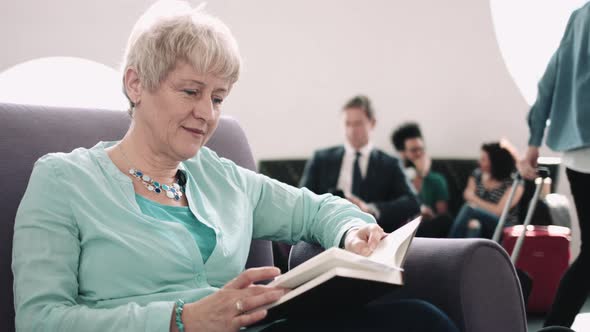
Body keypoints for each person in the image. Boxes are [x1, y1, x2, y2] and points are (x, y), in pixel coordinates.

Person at [11, 1, 459, 332]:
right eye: (191, 91)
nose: (207, 113)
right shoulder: (64, 180)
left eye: (219, 97)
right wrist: (180, 319)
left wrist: (351, 231)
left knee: (419, 320)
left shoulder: (220, 177)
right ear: (135, 83)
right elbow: (39, 319)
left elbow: (316, 209)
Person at [519, 3, 590, 328]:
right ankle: (554, 325)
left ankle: (554, 326)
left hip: (577, 156)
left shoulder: (580, 16)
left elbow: (548, 82)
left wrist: (534, 141)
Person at [299, 95, 420, 232]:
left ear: (372, 123)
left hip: (371, 232)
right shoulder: (321, 159)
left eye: (358, 124)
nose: (352, 130)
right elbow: (303, 199)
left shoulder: (390, 164)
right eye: (347, 124)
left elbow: (413, 202)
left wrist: (370, 209)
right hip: (326, 228)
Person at [448, 141, 524, 239]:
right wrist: (477, 205)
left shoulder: (515, 182)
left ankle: (448, 247)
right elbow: (467, 195)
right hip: (480, 221)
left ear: (495, 162)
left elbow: (499, 211)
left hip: (504, 225)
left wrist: (474, 202)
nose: (479, 162)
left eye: (484, 159)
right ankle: (464, 254)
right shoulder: (477, 174)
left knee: (469, 209)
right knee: (474, 224)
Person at [391, 122, 452, 237]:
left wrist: (423, 175)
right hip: (402, 229)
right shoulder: (394, 179)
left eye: (421, 149)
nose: (419, 154)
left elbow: (442, 215)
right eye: (414, 150)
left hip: (428, 228)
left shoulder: (437, 180)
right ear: (402, 154)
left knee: (445, 220)